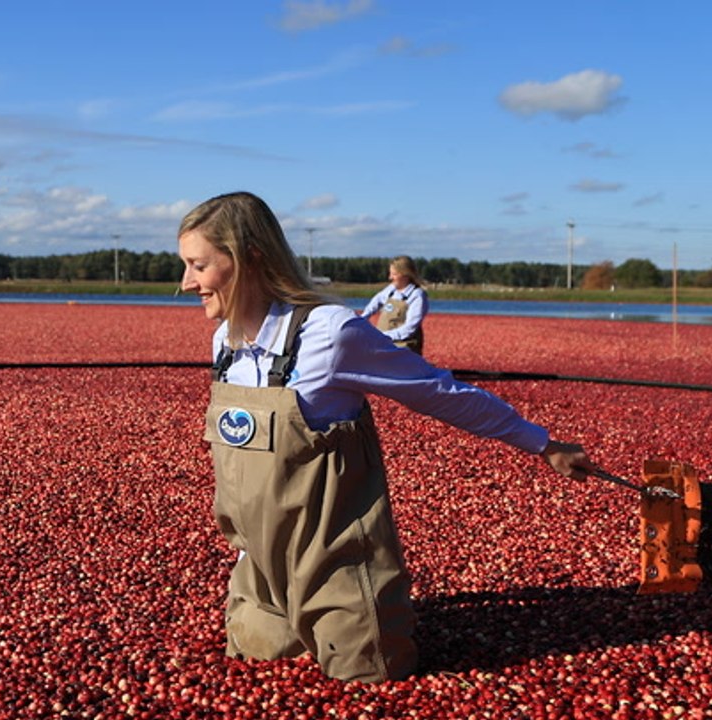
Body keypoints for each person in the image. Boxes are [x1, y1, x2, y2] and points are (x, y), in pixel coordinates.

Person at [177, 191, 595, 683]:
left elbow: (439, 392)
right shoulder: (224, 344)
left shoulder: (328, 333)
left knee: (371, 675)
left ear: (250, 258)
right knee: (257, 662)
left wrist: (543, 444)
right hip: (260, 571)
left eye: (199, 266)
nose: (186, 283)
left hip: (332, 564)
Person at [359, 255, 427, 354]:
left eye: (394, 274)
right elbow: (375, 303)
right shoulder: (391, 289)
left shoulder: (417, 296)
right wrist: (361, 319)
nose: (390, 277)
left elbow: (409, 329)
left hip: (403, 348)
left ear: (405, 275)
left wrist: (382, 336)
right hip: (383, 344)